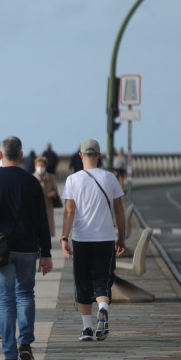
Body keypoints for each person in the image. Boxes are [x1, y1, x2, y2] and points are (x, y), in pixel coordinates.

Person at [0, 135, 53, 360]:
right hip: (28, 248)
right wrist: (46, 253)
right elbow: (42, 221)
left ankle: (9, 354)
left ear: (0, 155)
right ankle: (25, 344)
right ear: (21, 155)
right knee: (26, 294)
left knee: (6, 300)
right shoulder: (31, 183)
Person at [60, 139, 126, 342]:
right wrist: (121, 238)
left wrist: (64, 237)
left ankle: (87, 328)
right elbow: (119, 211)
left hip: (82, 239)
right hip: (105, 238)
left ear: (81, 156)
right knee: (102, 279)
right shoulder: (111, 178)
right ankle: (103, 309)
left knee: (83, 282)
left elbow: (70, 213)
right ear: (99, 155)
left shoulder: (72, 180)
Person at [34, 156, 60, 238]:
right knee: (36, 225)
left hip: (48, 205)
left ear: (45, 166)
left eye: (42, 165)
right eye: (38, 165)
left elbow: (56, 190)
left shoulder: (51, 177)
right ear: (35, 166)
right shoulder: (32, 177)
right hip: (36, 206)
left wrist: (53, 193)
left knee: (47, 226)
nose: (40, 167)